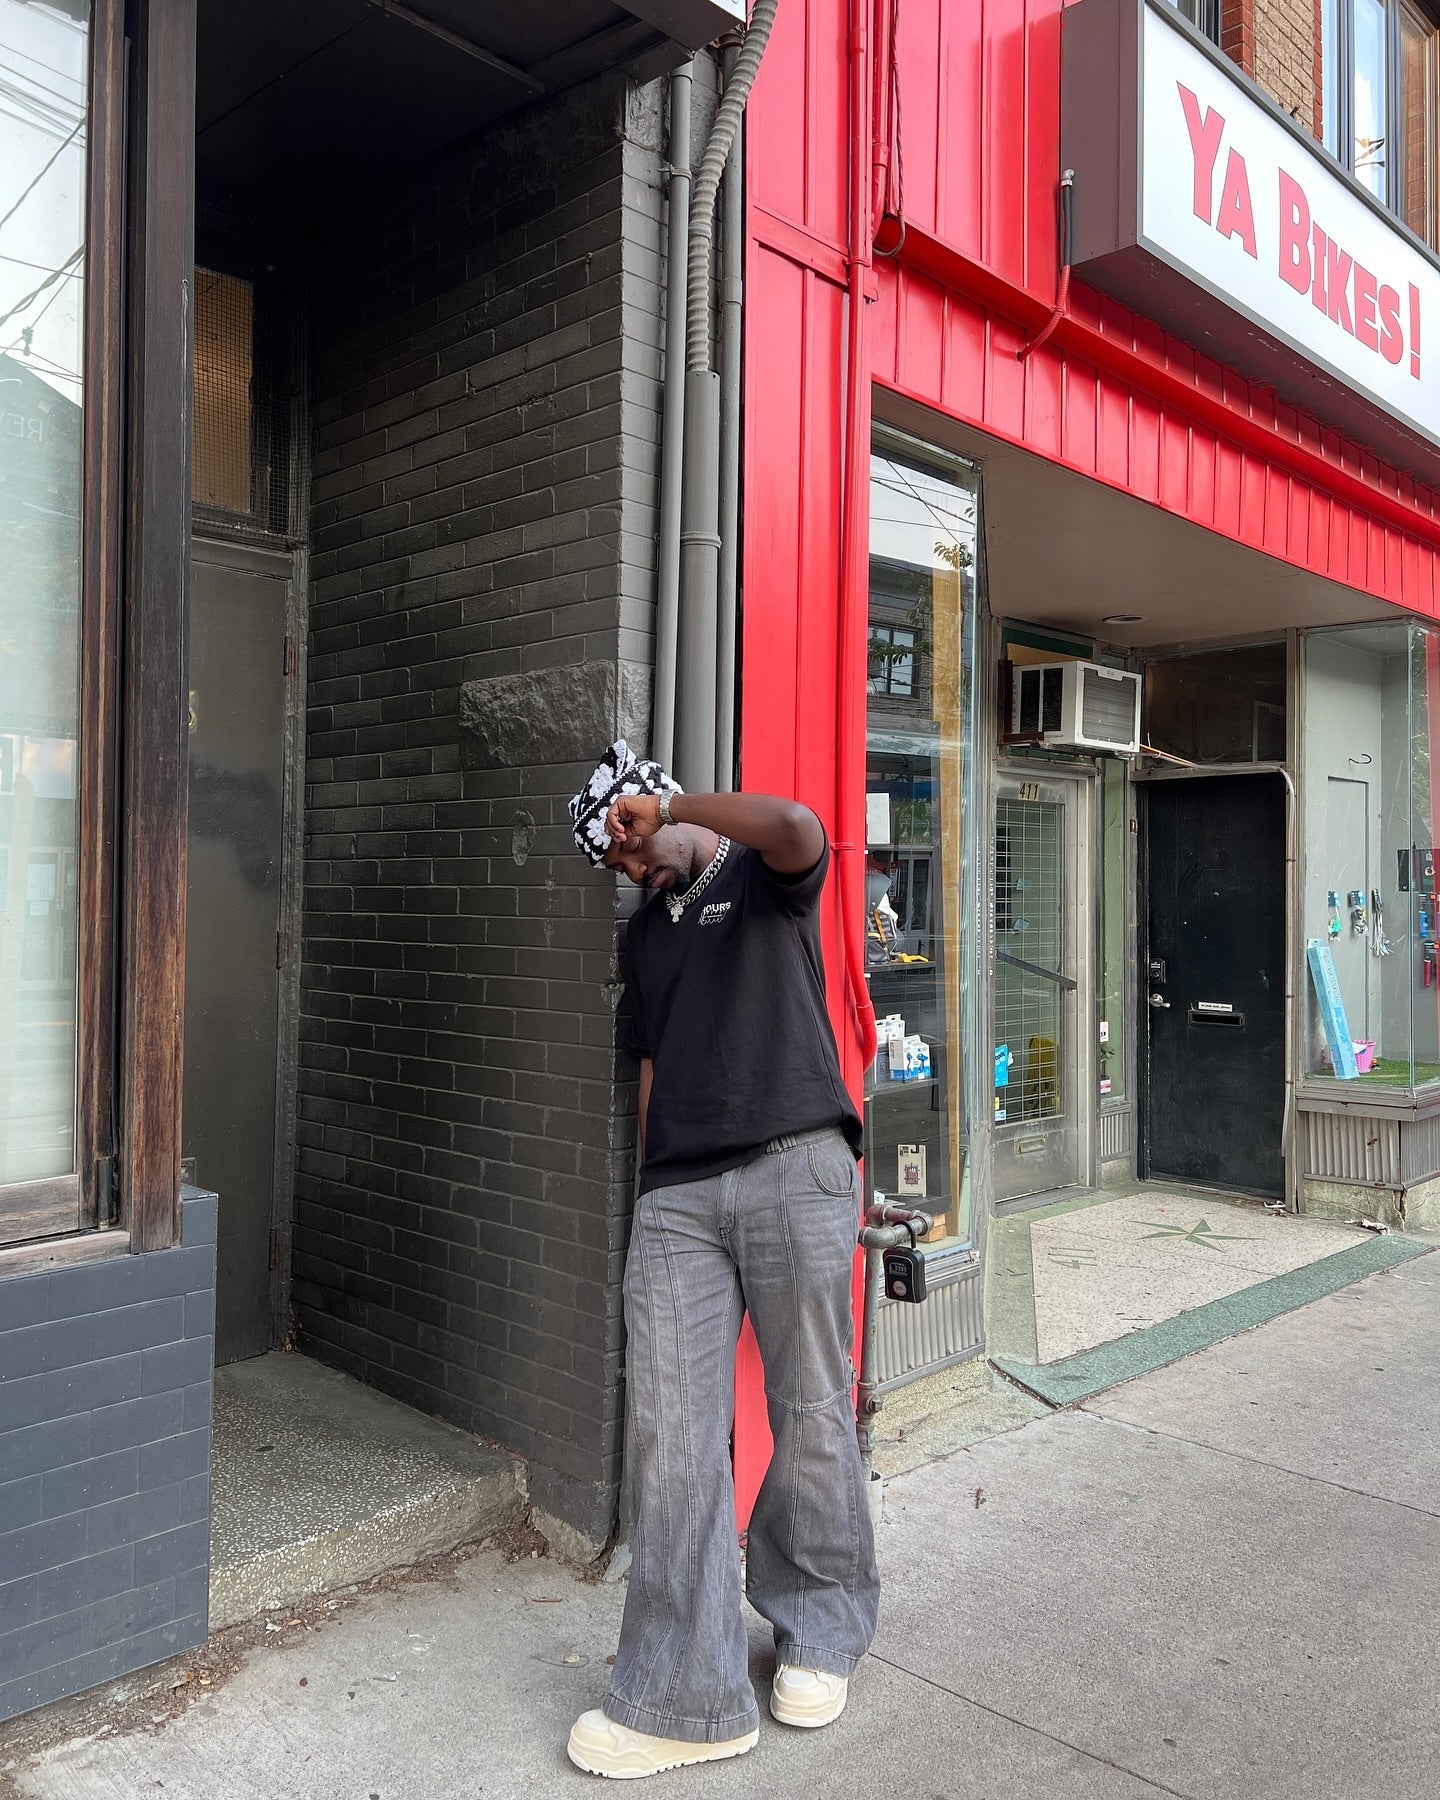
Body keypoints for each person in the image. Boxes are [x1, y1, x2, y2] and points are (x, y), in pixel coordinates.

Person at [564, 740, 878, 1780]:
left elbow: (800, 826)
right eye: (614, 862)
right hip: (680, 1201)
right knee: (671, 1433)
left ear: (659, 807)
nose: (629, 868)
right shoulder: (643, 937)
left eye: (630, 845)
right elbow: (651, 1066)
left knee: (811, 1405)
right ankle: (685, 1696)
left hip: (796, 1162)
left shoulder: (760, 875)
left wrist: (670, 809)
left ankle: (818, 1629)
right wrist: (652, 1192)